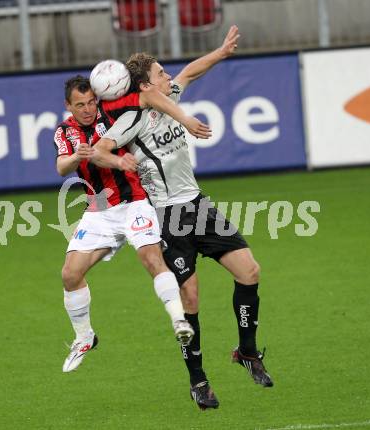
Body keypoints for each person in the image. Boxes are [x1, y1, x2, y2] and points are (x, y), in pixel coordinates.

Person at [93, 25, 273, 410]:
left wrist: (221, 52)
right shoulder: (130, 121)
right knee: (189, 297)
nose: (168, 77)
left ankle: (247, 351)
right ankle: (199, 380)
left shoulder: (170, 95)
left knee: (250, 271)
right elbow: (98, 150)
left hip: (198, 205)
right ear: (144, 86)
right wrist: (118, 159)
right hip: (168, 216)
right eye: (160, 74)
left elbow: (190, 71)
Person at [55, 75, 212, 373]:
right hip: (99, 209)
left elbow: (151, 97)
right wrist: (78, 155)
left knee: (151, 259)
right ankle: (85, 337)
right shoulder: (65, 131)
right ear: (68, 106)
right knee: (70, 274)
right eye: (80, 105)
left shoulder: (112, 114)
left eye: (91, 102)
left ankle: (179, 318)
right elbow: (62, 166)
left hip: (136, 201)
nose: (88, 109)